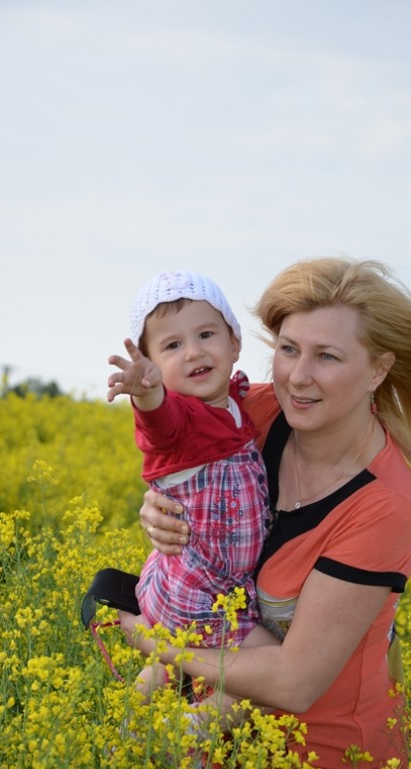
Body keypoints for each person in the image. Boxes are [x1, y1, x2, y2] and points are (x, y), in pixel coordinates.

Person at [118, 256, 411, 769]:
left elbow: (296, 682)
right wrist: (157, 509)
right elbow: (179, 459)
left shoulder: (383, 504)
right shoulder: (255, 413)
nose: (298, 376)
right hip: (212, 765)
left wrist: (157, 642)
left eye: (327, 356)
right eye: (287, 348)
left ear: (379, 369)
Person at [107, 270, 275, 730]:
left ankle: (123, 727)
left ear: (234, 343)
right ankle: (181, 732)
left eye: (206, 334)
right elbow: (159, 421)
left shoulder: (235, 404)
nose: (195, 351)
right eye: (172, 346)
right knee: (271, 671)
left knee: (172, 660)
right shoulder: (180, 418)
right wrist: (147, 393)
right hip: (200, 592)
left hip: (195, 581)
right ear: (154, 365)